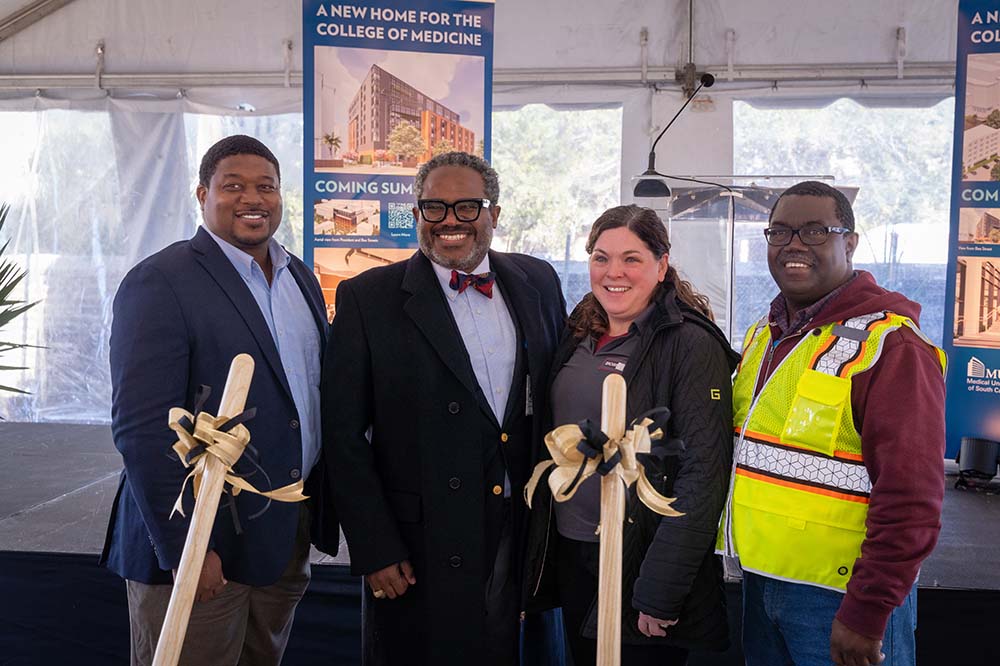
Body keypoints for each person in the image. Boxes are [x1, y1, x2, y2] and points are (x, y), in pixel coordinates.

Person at [100, 135, 339, 665]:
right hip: (200, 543)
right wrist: (189, 547)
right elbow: (142, 430)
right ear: (202, 194)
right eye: (233, 186)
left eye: (266, 187)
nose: (251, 198)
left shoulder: (299, 276)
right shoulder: (160, 281)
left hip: (280, 537)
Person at [322, 151, 566, 665]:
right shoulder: (368, 298)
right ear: (416, 215)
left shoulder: (538, 282)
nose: (450, 220)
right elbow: (343, 436)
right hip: (419, 539)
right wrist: (374, 546)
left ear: (493, 215)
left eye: (467, 206)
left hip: (515, 524)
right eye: (434, 207)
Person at [716, 181, 947, 666]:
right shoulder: (767, 333)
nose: (794, 244)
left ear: (851, 242)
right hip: (758, 584)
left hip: (840, 598)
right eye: (779, 232)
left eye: (815, 230)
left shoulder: (891, 346)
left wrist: (868, 609)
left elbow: (912, 496)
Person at [523, 205, 738, 665]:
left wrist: (661, 588)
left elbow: (704, 475)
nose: (613, 272)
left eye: (631, 259)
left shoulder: (691, 344)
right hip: (574, 550)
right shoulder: (578, 331)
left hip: (640, 559)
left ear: (661, 266)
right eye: (601, 258)